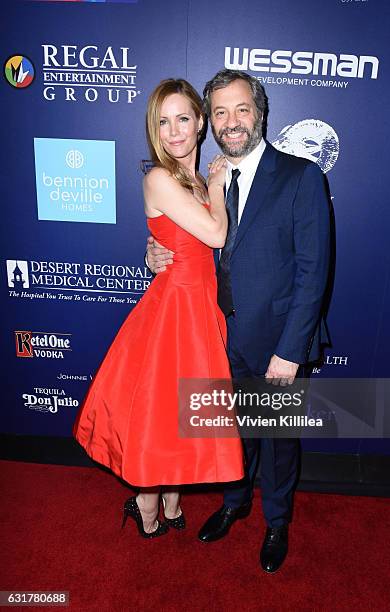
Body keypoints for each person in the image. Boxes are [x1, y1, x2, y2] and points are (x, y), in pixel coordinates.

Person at [146, 69, 331, 570]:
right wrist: (155, 253)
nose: (232, 122)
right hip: (214, 335)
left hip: (276, 341)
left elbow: (314, 274)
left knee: (274, 440)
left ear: (260, 113)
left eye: (241, 109)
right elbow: (186, 239)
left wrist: (290, 351)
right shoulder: (203, 178)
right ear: (210, 120)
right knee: (229, 432)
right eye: (221, 111)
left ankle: (276, 521)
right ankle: (234, 503)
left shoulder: (300, 176)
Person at [73, 78, 244, 539]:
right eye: (162, 122)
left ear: (200, 122)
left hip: (198, 308)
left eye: (183, 118)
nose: (173, 131)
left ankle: (171, 498)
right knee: (161, 414)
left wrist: (157, 249)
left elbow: (187, 239)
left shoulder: (189, 178)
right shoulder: (160, 178)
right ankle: (146, 503)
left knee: (178, 413)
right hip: (174, 314)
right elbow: (215, 236)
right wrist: (216, 183)